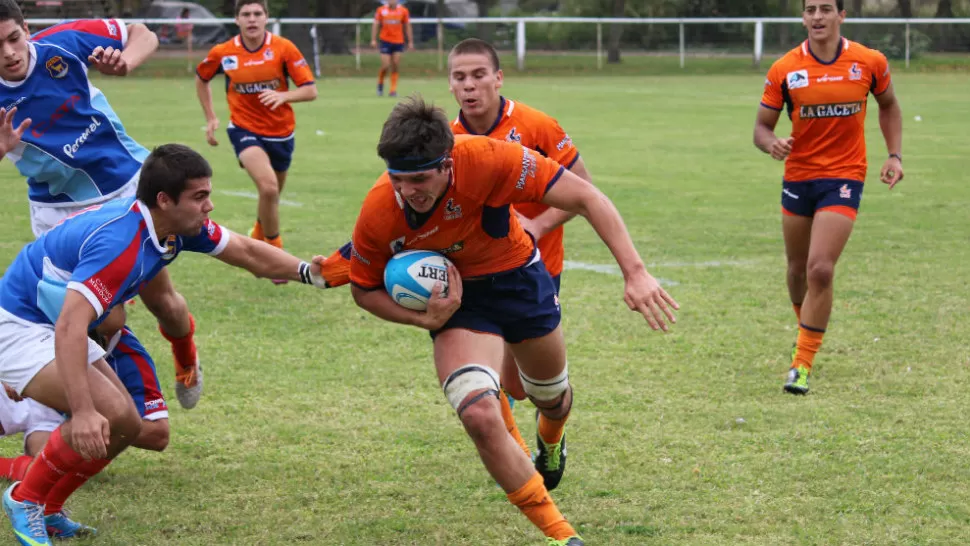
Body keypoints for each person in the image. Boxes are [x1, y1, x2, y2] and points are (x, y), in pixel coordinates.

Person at [348, 96, 678, 545]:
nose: (408, 191)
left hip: (519, 280)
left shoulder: (490, 159)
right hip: (461, 300)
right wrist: (424, 320)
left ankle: (552, 438)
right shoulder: (379, 208)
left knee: (547, 397)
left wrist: (635, 273)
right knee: (480, 413)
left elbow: (585, 195)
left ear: (447, 163)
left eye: (420, 178)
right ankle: (563, 536)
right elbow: (362, 288)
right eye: (398, 179)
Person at [0, 143, 328, 545]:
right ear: (164, 199)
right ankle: (24, 498)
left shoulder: (169, 227)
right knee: (100, 415)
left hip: (52, 322)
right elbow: (71, 325)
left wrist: (309, 273)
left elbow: (245, 250)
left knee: (124, 424)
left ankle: (49, 509)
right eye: (200, 197)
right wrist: (82, 411)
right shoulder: (120, 242)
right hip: (19, 324)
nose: (209, 207)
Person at [0, 2, 206, 410]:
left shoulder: (64, 42)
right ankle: (103, 405)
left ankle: (185, 356)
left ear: (26, 29)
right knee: (96, 318)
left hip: (126, 188)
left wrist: (126, 62)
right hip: (58, 212)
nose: (8, 52)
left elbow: (141, 32)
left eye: (13, 38)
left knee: (162, 302)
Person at [754, 0, 903, 395]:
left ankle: (801, 363)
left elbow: (888, 106)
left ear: (842, 15)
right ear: (803, 17)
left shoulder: (868, 62)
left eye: (825, 8)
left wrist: (894, 154)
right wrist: (771, 143)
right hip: (799, 177)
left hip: (845, 176)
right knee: (796, 269)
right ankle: (805, 330)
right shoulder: (785, 68)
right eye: (809, 9)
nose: (817, 17)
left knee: (820, 268)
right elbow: (761, 127)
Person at [195, 0, 318, 279]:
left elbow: (310, 90)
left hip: (282, 132)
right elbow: (201, 78)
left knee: (271, 193)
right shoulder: (223, 52)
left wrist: (284, 95)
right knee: (269, 188)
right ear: (237, 20)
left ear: (266, 18)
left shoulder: (283, 48)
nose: (252, 19)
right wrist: (212, 117)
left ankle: (260, 231)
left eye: (257, 14)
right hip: (243, 129)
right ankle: (275, 255)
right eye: (246, 14)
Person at [370, 0, 413, 97]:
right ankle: (380, 85)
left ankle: (392, 90)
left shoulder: (403, 11)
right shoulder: (381, 10)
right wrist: (373, 39)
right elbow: (376, 24)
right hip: (385, 41)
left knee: (395, 65)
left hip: (398, 41)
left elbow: (407, 26)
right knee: (385, 65)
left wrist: (410, 41)